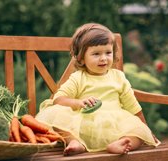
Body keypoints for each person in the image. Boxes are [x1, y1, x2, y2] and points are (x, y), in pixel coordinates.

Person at [36, 22, 160, 156]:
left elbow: (133, 107)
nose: (103, 58)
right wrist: (78, 103)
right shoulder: (78, 78)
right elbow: (58, 99)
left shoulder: (118, 77)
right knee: (57, 118)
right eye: (96, 54)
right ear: (81, 58)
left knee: (138, 133)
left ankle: (121, 143)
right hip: (85, 126)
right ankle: (75, 142)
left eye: (108, 52)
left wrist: (145, 129)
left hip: (116, 126)